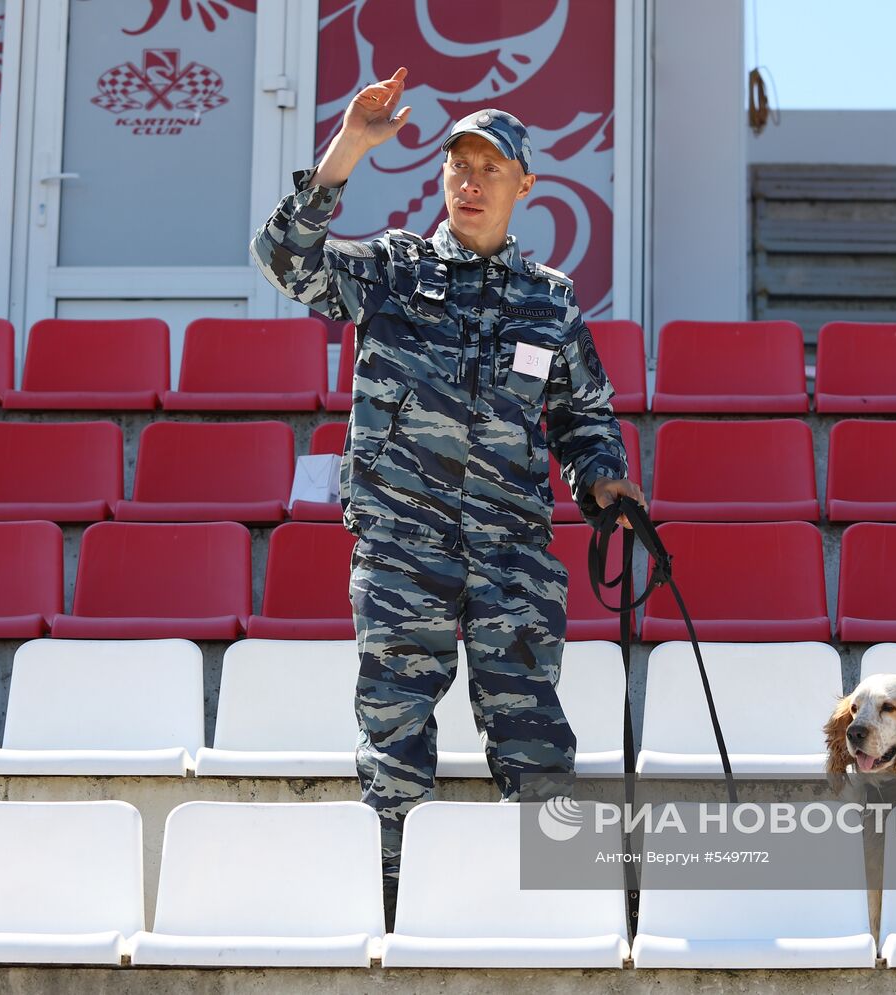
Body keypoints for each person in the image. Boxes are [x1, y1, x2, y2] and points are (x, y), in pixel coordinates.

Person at [250, 66, 644, 910]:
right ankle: (397, 923)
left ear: (524, 185)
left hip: (512, 561)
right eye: (457, 165)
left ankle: (550, 919)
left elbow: (584, 412)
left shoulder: (550, 302)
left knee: (535, 750)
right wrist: (348, 145)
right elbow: (282, 258)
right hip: (403, 554)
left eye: (489, 168)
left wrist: (602, 477)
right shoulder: (391, 273)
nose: (469, 181)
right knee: (394, 754)